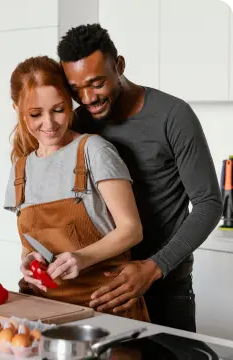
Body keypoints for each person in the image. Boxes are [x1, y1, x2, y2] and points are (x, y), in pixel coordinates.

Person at [56, 23, 223, 332]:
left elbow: (209, 204)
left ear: (119, 65)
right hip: (100, 289)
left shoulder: (173, 115)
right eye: (76, 89)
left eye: (96, 83)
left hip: (165, 287)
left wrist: (153, 268)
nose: (88, 97)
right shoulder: (80, 123)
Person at [3, 55, 149, 321]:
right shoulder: (20, 169)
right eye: (35, 114)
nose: (49, 123)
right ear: (17, 109)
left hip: (104, 307)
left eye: (58, 109)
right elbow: (29, 244)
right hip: (42, 309)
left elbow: (132, 229)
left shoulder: (94, 150)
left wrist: (81, 258)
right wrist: (28, 260)